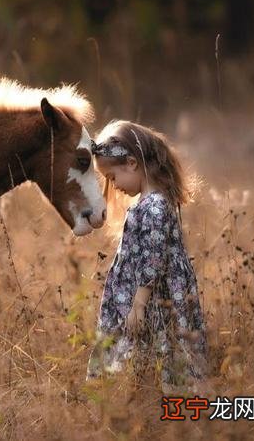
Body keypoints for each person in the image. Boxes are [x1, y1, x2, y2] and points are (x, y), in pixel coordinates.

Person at [86, 120, 207, 394]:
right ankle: (144, 397)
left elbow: (153, 261)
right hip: (145, 298)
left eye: (112, 177)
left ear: (131, 163)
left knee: (164, 350)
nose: (113, 186)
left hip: (152, 298)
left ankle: (168, 404)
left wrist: (138, 305)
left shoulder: (154, 206)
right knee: (148, 353)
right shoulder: (147, 203)